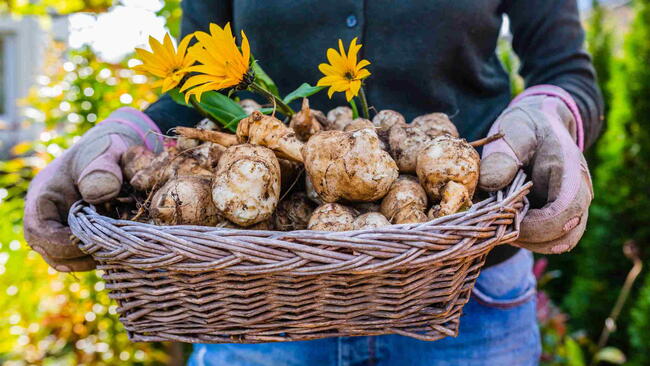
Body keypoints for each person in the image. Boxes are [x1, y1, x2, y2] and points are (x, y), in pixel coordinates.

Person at [24, 0, 602, 365]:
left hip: (466, 285)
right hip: (252, 295)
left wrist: (549, 116)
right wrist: (125, 132)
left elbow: (563, 70)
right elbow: (192, 91)